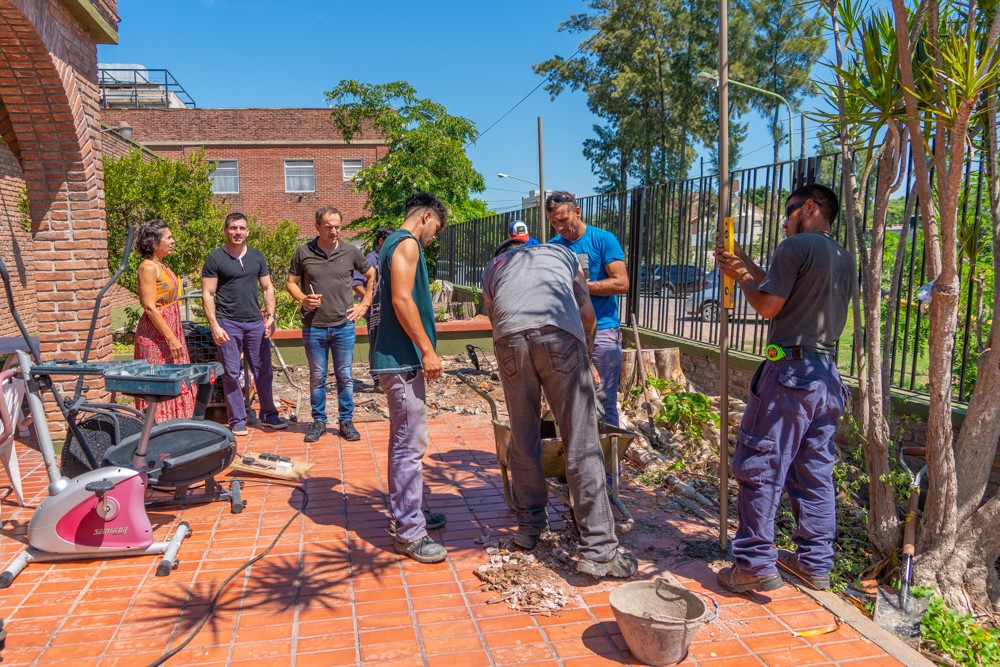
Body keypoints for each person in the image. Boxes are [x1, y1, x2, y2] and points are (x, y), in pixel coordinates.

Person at [713, 183, 855, 593]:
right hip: (826, 377)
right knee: (814, 473)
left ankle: (754, 563)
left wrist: (740, 277)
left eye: (788, 212)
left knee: (761, 465)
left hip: (790, 375)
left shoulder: (795, 246)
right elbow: (782, 290)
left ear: (808, 207)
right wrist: (745, 262)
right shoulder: (842, 257)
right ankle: (815, 563)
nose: (785, 222)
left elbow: (768, 305)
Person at [482, 238, 638, 578]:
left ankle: (529, 527)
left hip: (508, 340)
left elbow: (495, 317)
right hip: (559, 336)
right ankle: (599, 549)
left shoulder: (493, 267)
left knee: (523, 436)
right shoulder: (561, 253)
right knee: (581, 438)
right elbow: (587, 315)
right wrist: (586, 358)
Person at [371, 192, 449, 564]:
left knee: (403, 442)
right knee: (409, 446)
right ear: (426, 216)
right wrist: (427, 350)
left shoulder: (389, 245)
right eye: (437, 228)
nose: (435, 236)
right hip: (401, 360)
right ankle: (409, 532)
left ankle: (410, 511)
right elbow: (402, 300)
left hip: (396, 359)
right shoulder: (406, 243)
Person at [287, 207, 375, 443]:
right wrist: (303, 298)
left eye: (337, 226)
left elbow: (372, 275)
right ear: (317, 227)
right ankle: (319, 421)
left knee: (345, 375)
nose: (334, 231)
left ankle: (346, 421)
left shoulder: (350, 251)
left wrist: (364, 304)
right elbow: (291, 283)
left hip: (343, 326)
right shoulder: (303, 252)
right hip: (314, 326)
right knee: (317, 376)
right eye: (328, 227)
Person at [546, 192, 628, 427]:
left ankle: (609, 451)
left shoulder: (603, 240)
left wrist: (580, 286)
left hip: (602, 330)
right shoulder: (553, 248)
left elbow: (621, 283)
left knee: (603, 399)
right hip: (566, 332)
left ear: (578, 212)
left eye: (563, 220)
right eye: (554, 222)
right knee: (569, 398)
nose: (559, 227)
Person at [201, 212, 287, 436]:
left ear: (248, 232)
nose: (237, 232)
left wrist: (271, 316)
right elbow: (208, 293)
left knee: (263, 370)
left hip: (255, 323)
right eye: (233, 228)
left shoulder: (257, 257)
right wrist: (215, 325)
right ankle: (237, 419)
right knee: (230, 372)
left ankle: (269, 415)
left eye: (241, 228)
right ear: (225, 231)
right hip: (228, 323)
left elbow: (267, 288)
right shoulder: (215, 259)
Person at [133, 219, 194, 422]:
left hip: (171, 329)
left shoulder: (162, 265)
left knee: (175, 376)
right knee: (159, 380)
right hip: (156, 335)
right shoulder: (148, 268)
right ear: (153, 243)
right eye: (168, 238)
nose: (172, 241)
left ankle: (177, 424)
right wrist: (171, 337)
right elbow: (150, 307)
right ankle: (158, 428)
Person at [353, 226, 395, 391]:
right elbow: (356, 284)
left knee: (387, 344)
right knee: (377, 344)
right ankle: (378, 381)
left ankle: (387, 378)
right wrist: (370, 301)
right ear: (381, 241)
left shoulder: (388, 258)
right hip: (375, 313)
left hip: (388, 311)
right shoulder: (371, 260)